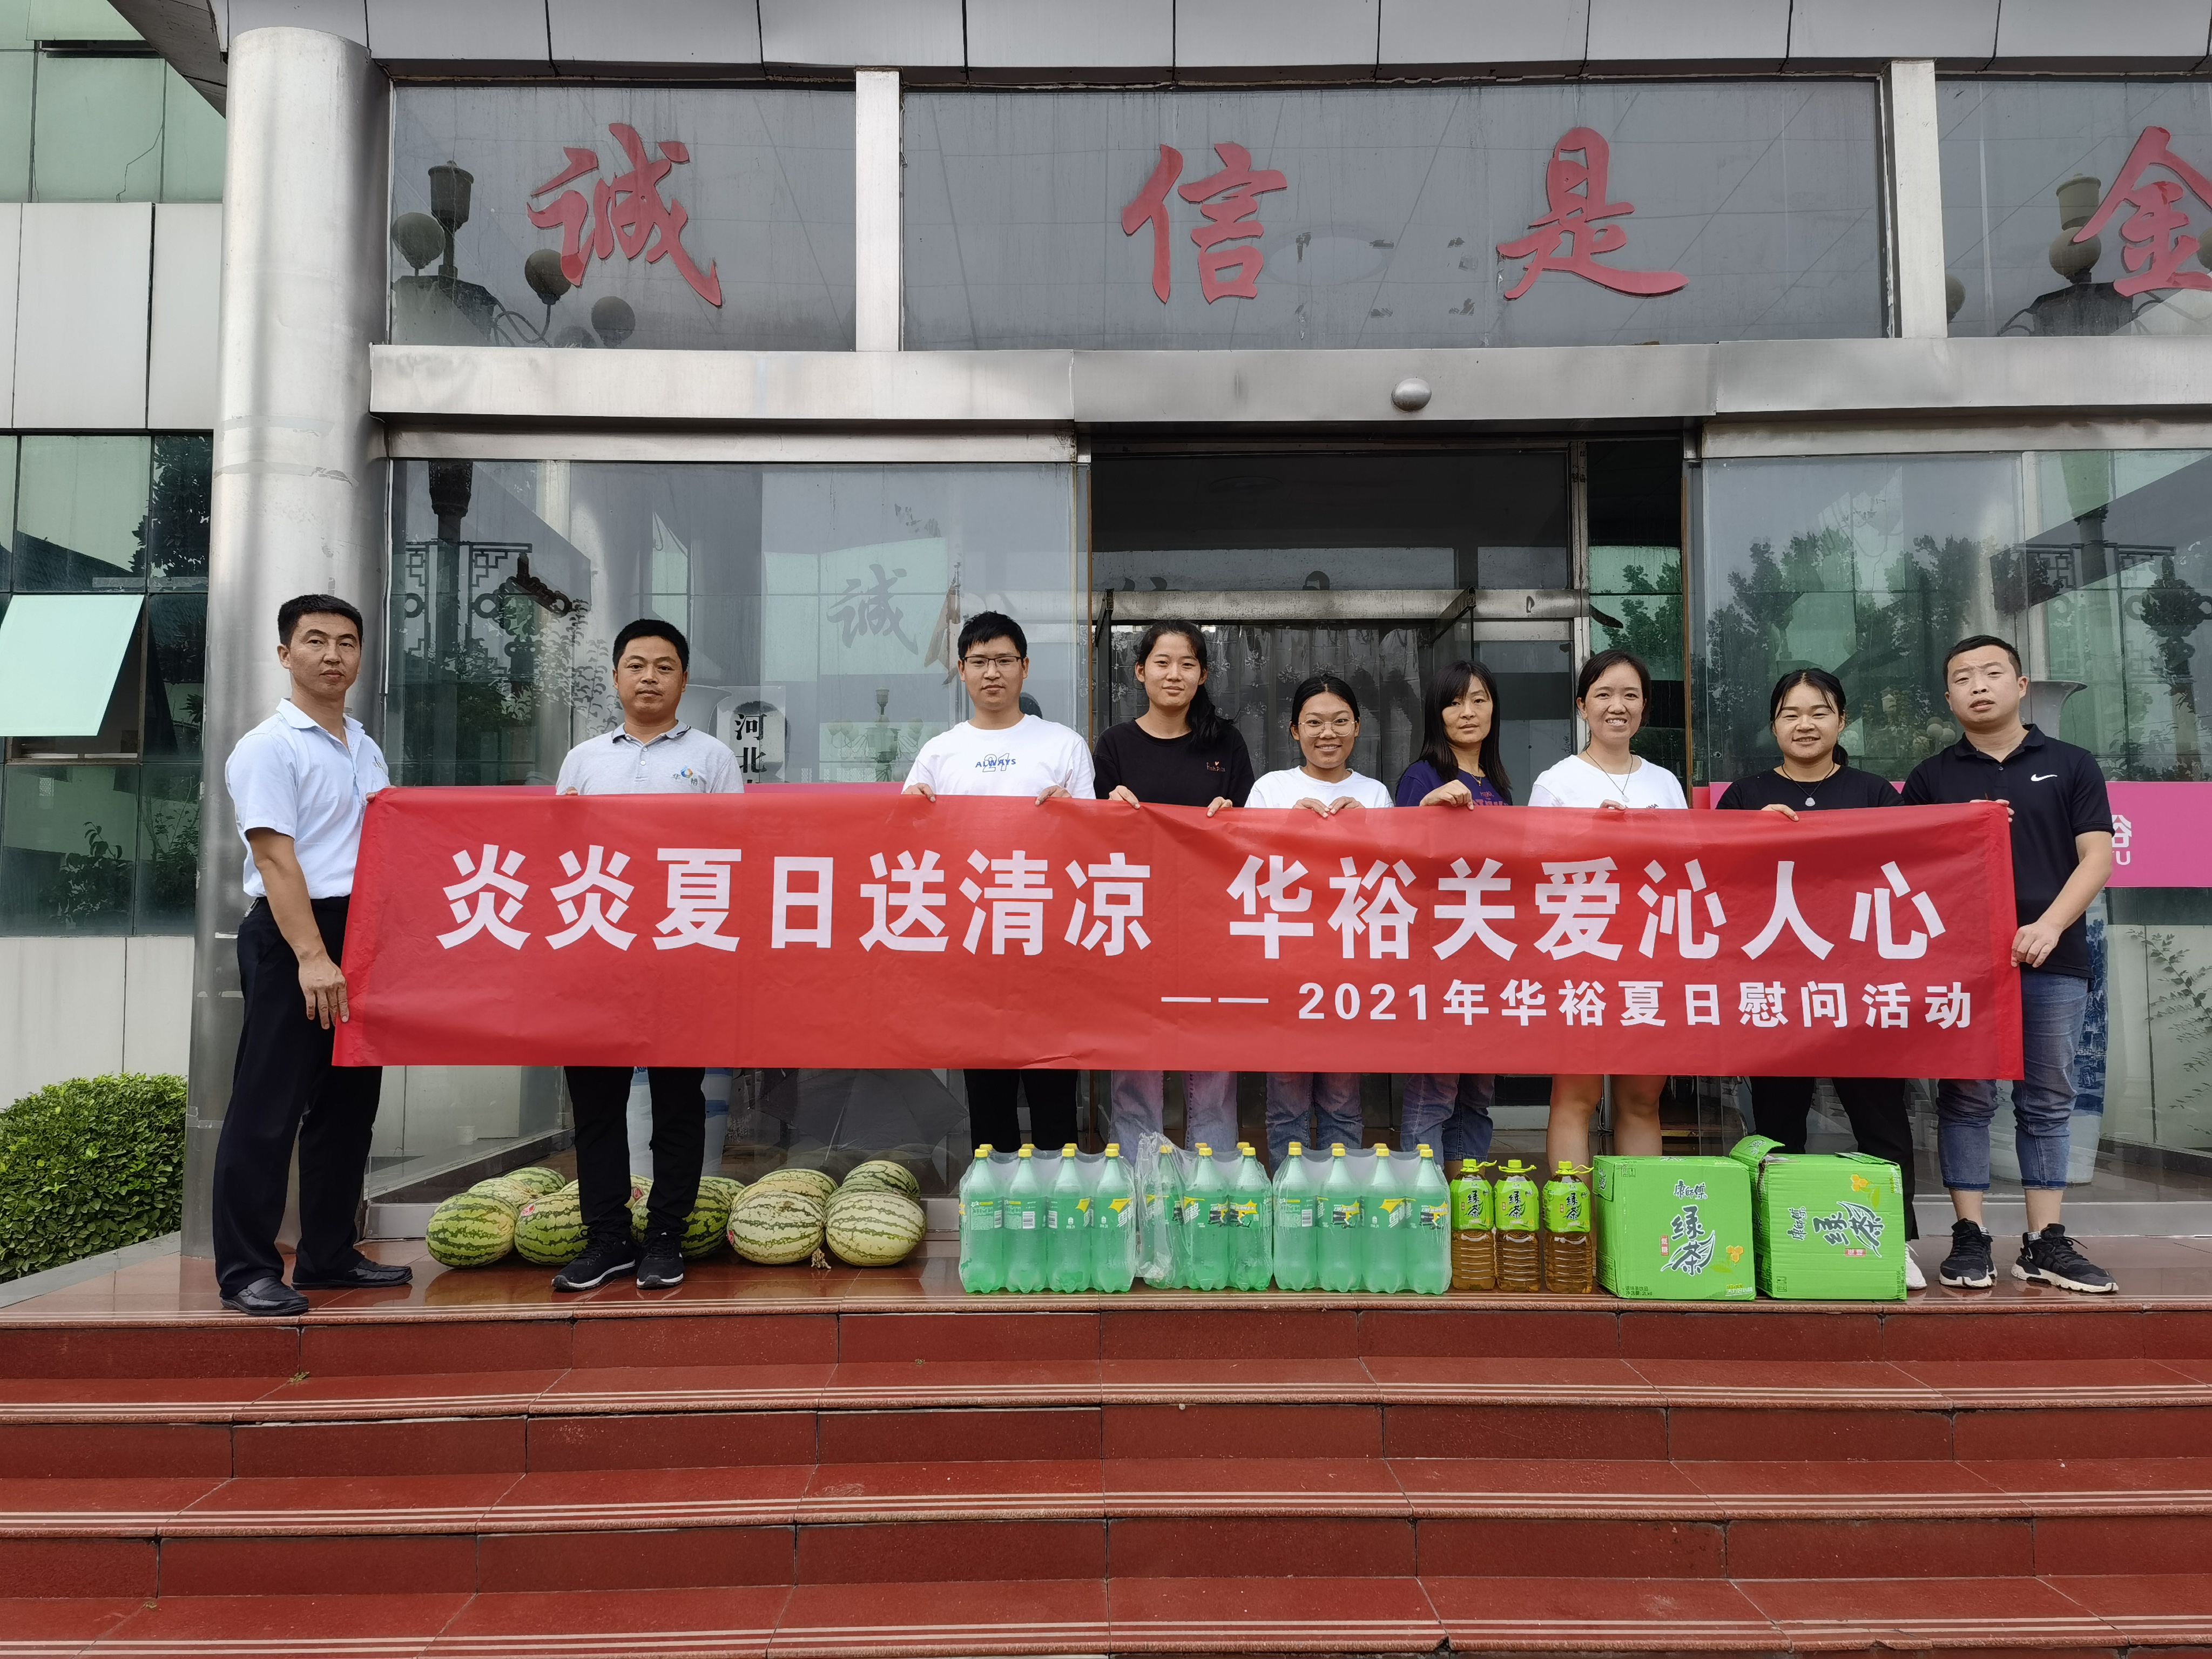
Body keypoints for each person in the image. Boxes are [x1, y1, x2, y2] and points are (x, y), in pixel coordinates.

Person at [1903, 636, 2116, 1294]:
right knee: (1965, 1098)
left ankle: (2044, 1240)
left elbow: (2097, 857)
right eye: (1962, 677)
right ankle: (1969, 1235)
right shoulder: (1931, 778)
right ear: (1948, 698)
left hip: (2055, 957)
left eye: (1992, 673)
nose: (1978, 685)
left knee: (2047, 1098)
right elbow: (1907, 870)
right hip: (1964, 965)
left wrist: (2050, 925)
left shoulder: (2071, 764)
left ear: (2020, 685)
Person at [213, 595, 409, 1316]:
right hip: (296, 935)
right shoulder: (270, 746)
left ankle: (329, 1255)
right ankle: (246, 1270)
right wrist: (312, 956)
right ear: (284, 654)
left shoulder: (364, 745)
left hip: (362, 935)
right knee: (268, 1109)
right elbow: (275, 859)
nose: (333, 655)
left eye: (347, 642)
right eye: (316, 640)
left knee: (347, 1107)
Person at [551, 619, 743, 1293]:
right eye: (636, 666)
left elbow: (737, 853)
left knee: (677, 1101)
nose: (650, 678)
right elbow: (557, 858)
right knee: (596, 1103)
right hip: (596, 953)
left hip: (679, 953)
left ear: (683, 680)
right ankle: (606, 1238)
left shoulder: (714, 759)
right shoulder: (582, 760)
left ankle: (665, 1236)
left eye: (664, 667)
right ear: (616, 678)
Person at [1718, 667, 1924, 1290]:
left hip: (1859, 989)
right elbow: (1713, 882)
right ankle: (1776, 1239)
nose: (1804, 725)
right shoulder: (1745, 797)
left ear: (1841, 721)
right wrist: (1747, 838)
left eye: (1818, 712)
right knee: (1777, 1126)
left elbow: (1912, 870)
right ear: (1773, 724)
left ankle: (1896, 1240)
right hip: (1778, 990)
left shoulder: (1874, 794)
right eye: (1790, 713)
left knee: (1880, 1120)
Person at [905, 611, 1094, 1154]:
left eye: (1004, 661)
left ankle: (1060, 1195)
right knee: (988, 1097)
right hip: (972, 946)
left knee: (1053, 1090)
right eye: (980, 661)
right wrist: (912, 811)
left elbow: (1094, 843)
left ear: (1025, 667)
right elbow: (909, 847)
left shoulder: (1063, 745)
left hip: (1048, 942)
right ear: (961, 670)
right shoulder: (939, 752)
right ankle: (997, 1197)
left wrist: (1074, 813)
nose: (993, 672)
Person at [1095, 620, 1255, 1154]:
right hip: (1134, 922)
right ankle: (1138, 1183)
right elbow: (1091, 842)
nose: (1174, 674)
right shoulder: (1115, 746)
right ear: (1140, 671)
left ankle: (1213, 1181)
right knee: (1135, 1067)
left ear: (1203, 674)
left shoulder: (1226, 743)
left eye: (1187, 664)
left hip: (1211, 923)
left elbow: (1252, 835)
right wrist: (1106, 811)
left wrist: (1234, 817)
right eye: (1162, 663)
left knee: (1212, 1067)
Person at [1528, 649, 1685, 1170]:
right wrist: (1587, 836)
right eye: (1604, 694)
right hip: (1582, 954)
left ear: (1644, 707)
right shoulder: (1556, 782)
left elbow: (1690, 866)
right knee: (1576, 1098)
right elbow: (1531, 873)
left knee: (1642, 1100)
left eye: (1630, 695)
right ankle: (1575, 1218)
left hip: (1652, 955)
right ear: (1582, 706)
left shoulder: (1665, 783)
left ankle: (1639, 1219)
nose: (1618, 706)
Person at [1247, 672, 1390, 1163]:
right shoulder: (1270, 789)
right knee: (1286, 1102)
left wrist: (1367, 831)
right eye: (1314, 723)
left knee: (1343, 1101)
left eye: (1340, 721)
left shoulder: (1376, 793)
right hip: (1286, 965)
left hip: (1352, 969)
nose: (1327, 733)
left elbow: (1392, 879)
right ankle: (1290, 1197)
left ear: (1357, 727)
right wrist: (1288, 828)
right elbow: (1244, 870)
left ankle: (1340, 1198)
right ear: (1295, 730)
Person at [1394, 659, 1509, 1166]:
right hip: (1438, 960)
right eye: (1455, 702)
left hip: (1488, 959)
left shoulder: (1498, 782)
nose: (1468, 712)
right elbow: (1397, 863)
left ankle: (1467, 1199)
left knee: (1477, 1095)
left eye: (1479, 700)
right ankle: (1426, 1202)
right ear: (1436, 713)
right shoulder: (1422, 776)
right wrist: (1426, 808)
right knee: (1434, 1092)